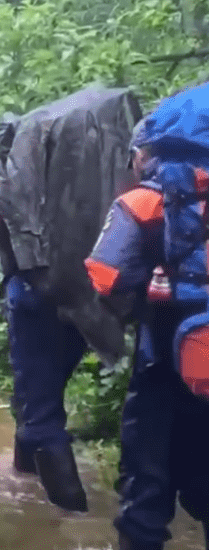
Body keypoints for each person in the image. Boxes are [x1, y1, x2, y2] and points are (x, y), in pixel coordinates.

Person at [0, 117, 89, 513]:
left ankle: (71, 515)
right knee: (39, 392)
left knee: (39, 405)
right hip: (81, 297)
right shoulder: (75, 176)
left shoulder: (4, 181)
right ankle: (23, 476)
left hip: (32, 295)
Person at [86, 100, 209, 550]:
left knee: (145, 490)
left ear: (150, 148)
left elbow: (106, 275)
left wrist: (151, 290)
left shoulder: (143, 202)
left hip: (160, 370)